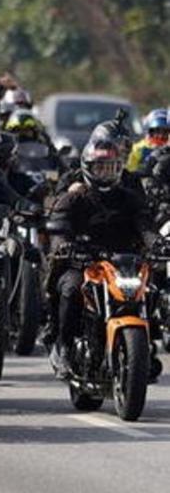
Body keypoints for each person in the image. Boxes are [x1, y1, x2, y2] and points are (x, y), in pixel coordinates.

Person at [49, 139, 152, 376]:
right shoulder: (74, 198)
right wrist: (65, 246)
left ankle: (149, 345)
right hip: (84, 263)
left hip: (123, 265)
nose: (105, 172)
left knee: (150, 289)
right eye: (100, 167)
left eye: (111, 167)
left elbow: (145, 226)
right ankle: (64, 347)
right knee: (72, 288)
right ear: (88, 168)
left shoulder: (130, 198)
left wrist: (157, 244)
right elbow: (58, 227)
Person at [128, 109, 170, 174]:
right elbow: (130, 169)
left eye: (165, 132)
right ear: (150, 131)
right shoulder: (139, 148)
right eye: (157, 131)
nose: (161, 136)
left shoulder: (168, 148)